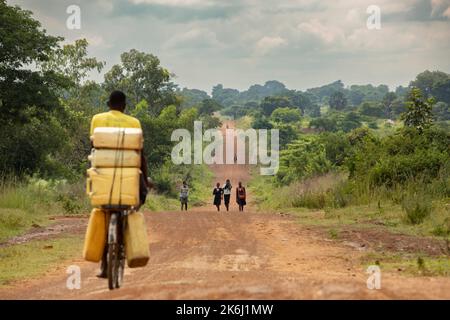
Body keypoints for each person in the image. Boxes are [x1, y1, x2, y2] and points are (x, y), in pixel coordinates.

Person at [90, 90, 151, 279]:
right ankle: (124, 238)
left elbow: (92, 147)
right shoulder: (134, 122)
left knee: (101, 213)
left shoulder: (97, 119)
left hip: (102, 175)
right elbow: (140, 154)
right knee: (135, 204)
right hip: (129, 176)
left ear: (108, 104)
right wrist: (146, 179)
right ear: (124, 106)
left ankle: (103, 264)